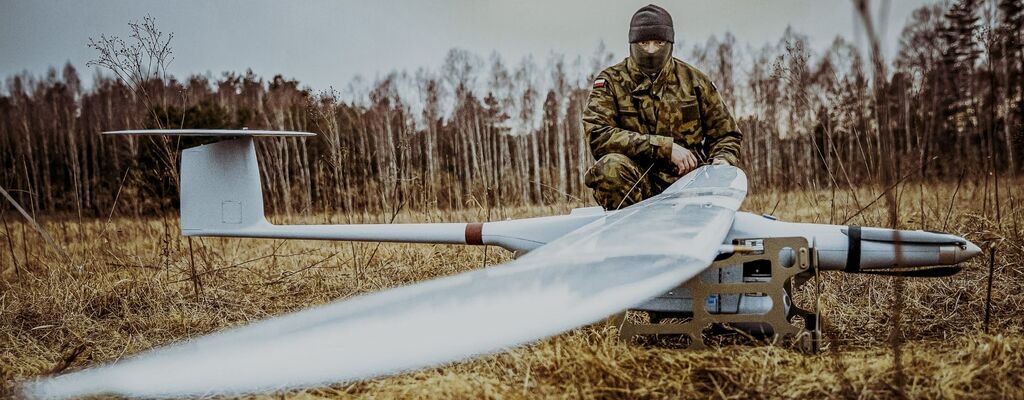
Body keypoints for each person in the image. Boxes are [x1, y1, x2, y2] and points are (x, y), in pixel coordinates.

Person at [583, 4, 743, 210]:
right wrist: (665, 148)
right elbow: (598, 135)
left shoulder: (694, 81)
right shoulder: (611, 82)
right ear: (632, 43)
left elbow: (726, 134)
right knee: (609, 168)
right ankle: (629, 239)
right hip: (636, 188)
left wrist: (722, 161)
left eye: (658, 42)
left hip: (689, 186)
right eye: (643, 43)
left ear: (670, 42)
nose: (650, 50)